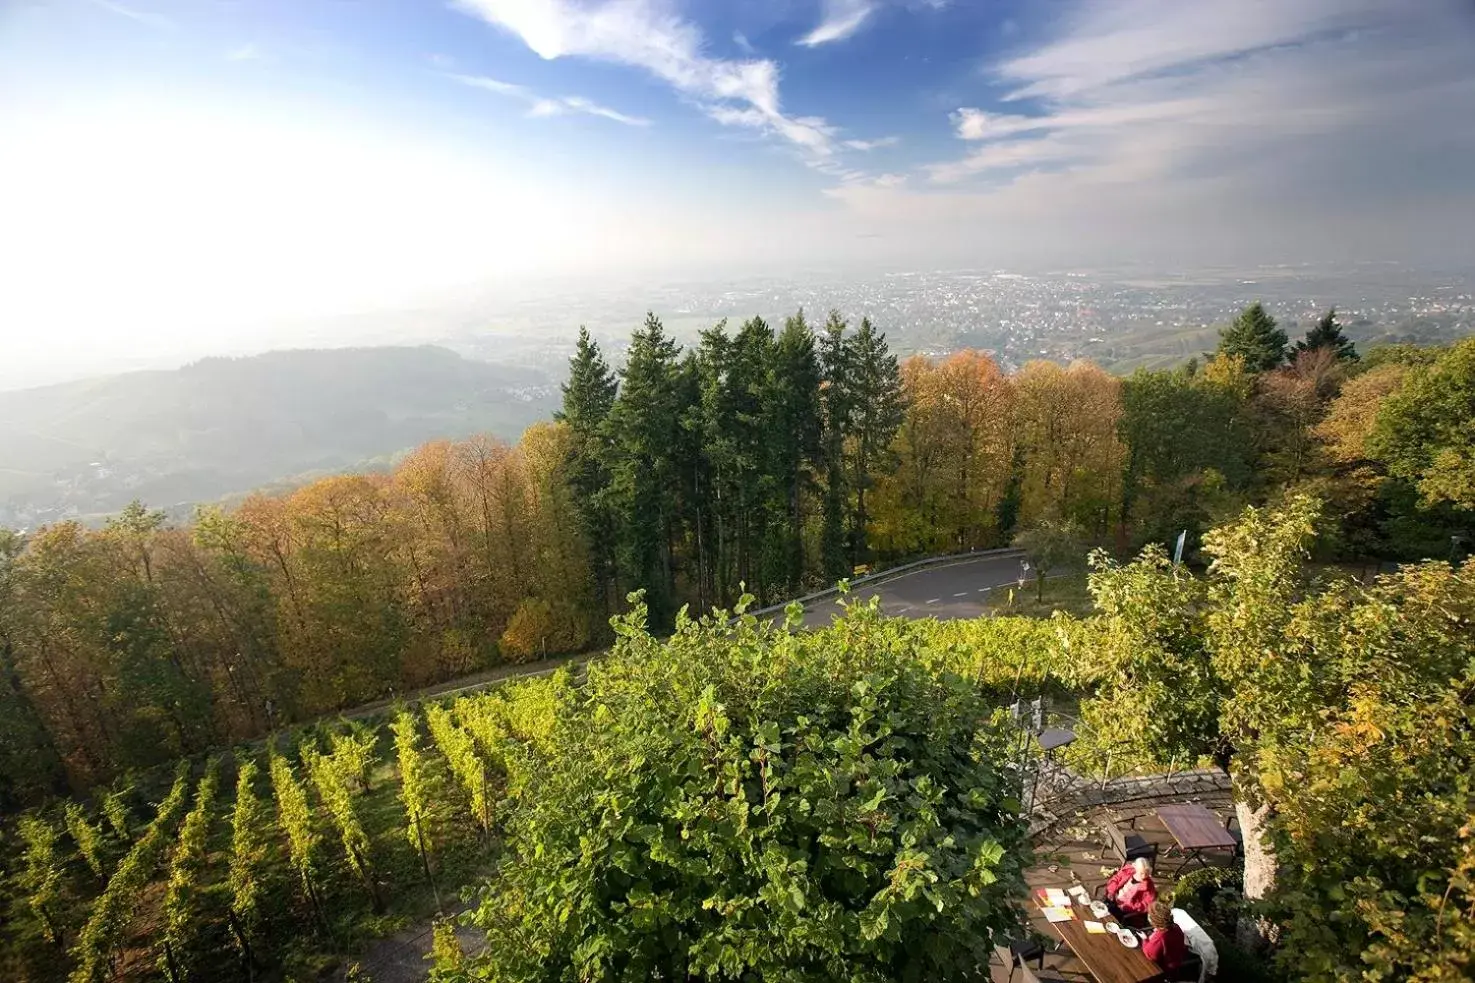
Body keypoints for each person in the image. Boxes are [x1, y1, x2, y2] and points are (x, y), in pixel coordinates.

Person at [1102, 856, 1157, 925]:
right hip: (1112, 899)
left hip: (1124, 910)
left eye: (1146, 873)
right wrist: (1112, 891)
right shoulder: (1127, 870)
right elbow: (1115, 880)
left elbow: (1146, 905)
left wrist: (1128, 906)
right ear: (1135, 868)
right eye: (1141, 873)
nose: (1143, 876)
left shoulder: (1149, 886)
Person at [1143, 901, 1188, 973]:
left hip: (1164, 968)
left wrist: (1144, 939)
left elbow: (1150, 955)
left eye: (1149, 915)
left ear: (1156, 921)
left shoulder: (1161, 936)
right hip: (1176, 961)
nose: (1148, 916)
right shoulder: (1175, 926)